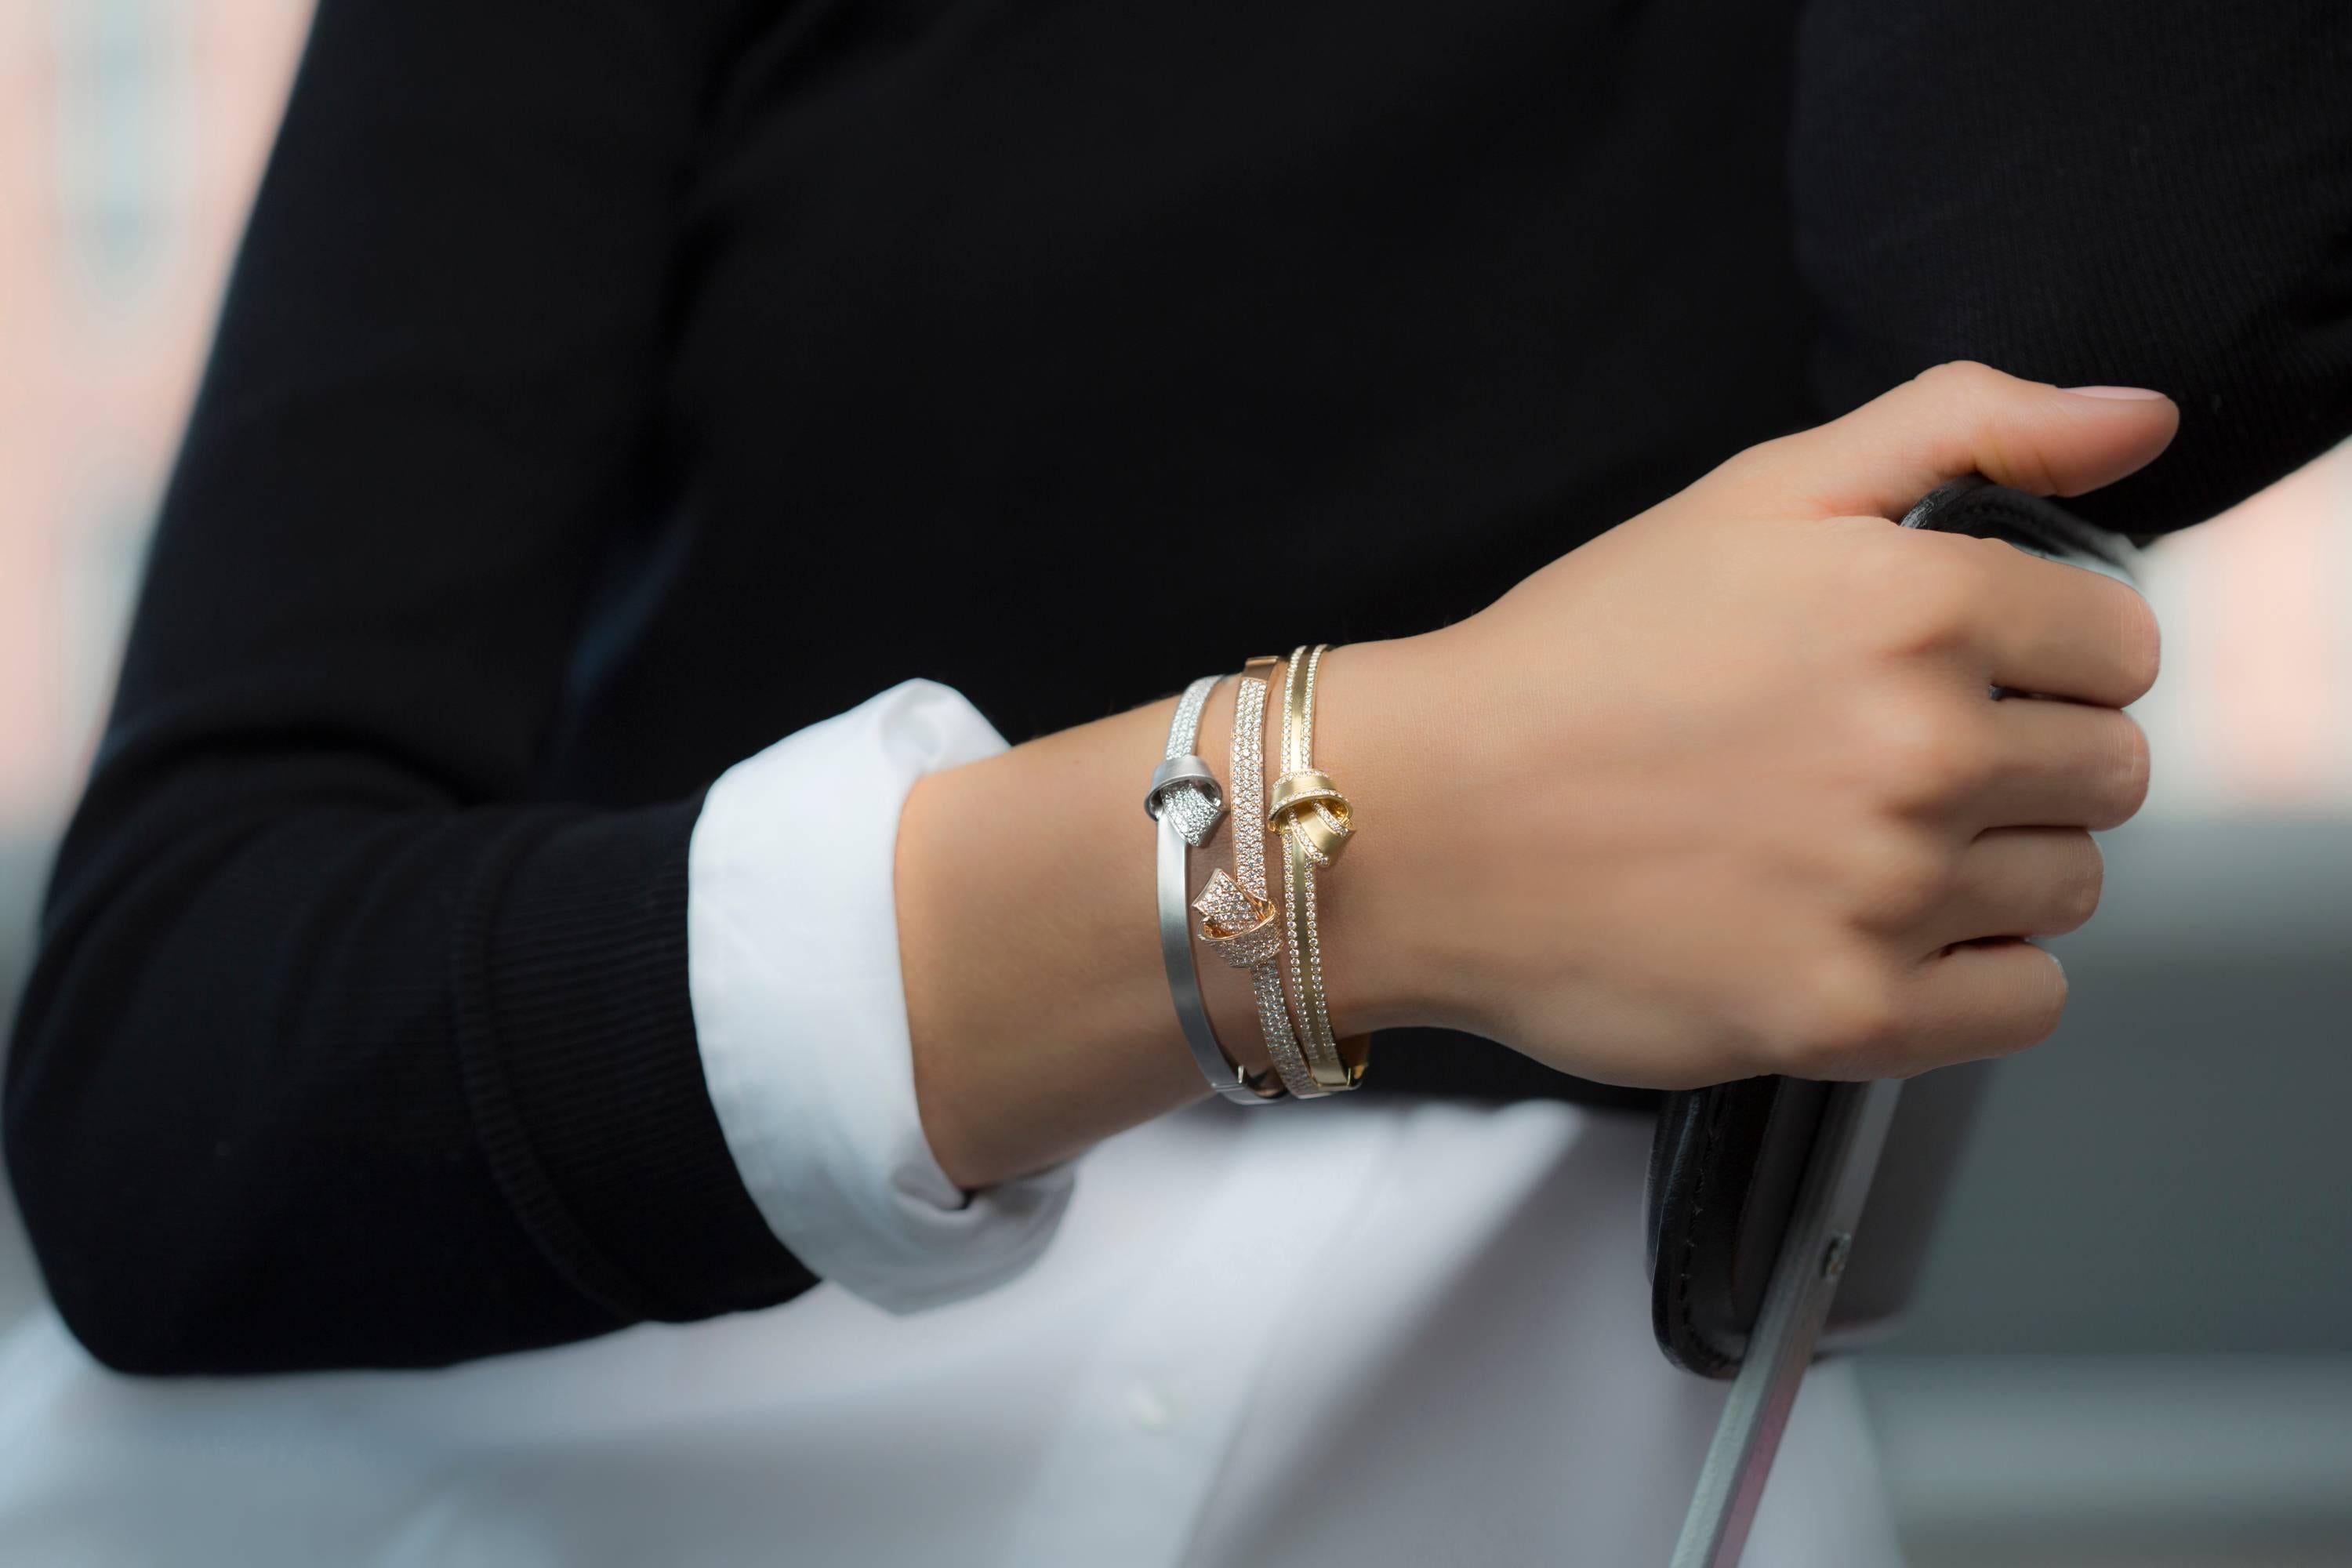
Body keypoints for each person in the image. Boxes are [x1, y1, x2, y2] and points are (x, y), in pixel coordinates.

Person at [4, 1, 2347, 1563]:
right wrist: (1354, 832)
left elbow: (2110, 292)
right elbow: (176, 1063)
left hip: (1520, 1459)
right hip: (573, 1441)